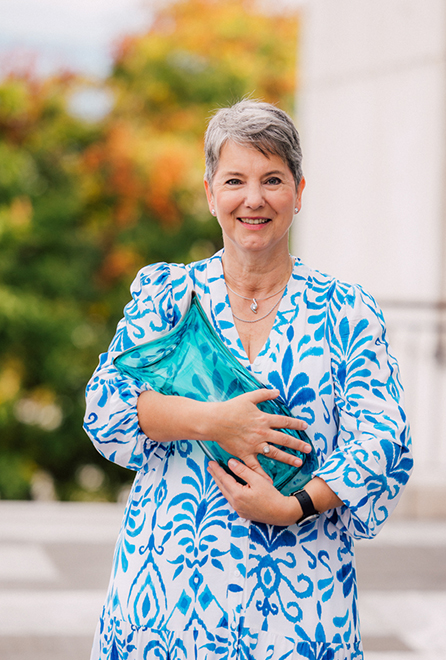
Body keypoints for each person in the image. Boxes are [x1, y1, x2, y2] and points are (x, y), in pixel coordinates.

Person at [84, 99, 413, 660]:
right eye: (234, 180)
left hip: (300, 599)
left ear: (299, 192)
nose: (253, 198)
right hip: (165, 595)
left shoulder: (345, 310)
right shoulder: (168, 296)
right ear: (211, 192)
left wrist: (294, 506)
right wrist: (217, 422)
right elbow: (106, 408)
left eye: (272, 179)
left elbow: (383, 439)